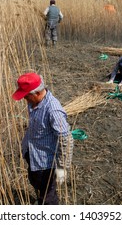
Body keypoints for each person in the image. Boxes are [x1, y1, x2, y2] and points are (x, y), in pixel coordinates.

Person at [12, 72, 73, 205]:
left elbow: (66, 139)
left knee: (48, 198)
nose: (24, 99)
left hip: (47, 163)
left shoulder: (53, 110)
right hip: (34, 156)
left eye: (26, 96)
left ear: (37, 93)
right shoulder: (33, 102)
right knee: (36, 183)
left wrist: (62, 167)